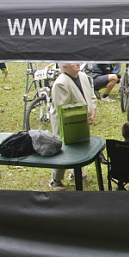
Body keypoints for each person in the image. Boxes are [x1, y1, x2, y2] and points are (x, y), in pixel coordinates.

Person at [49, 62, 97, 190]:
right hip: (65, 122)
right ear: (64, 66)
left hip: (82, 120)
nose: (77, 63)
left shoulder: (83, 76)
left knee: (80, 145)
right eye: (72, 62)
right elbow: (63, 108)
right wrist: (82, 116)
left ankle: (77, 172)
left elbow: (91, 96)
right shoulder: (60, 83)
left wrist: (93, 110)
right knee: (62, 148)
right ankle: (56, 179)